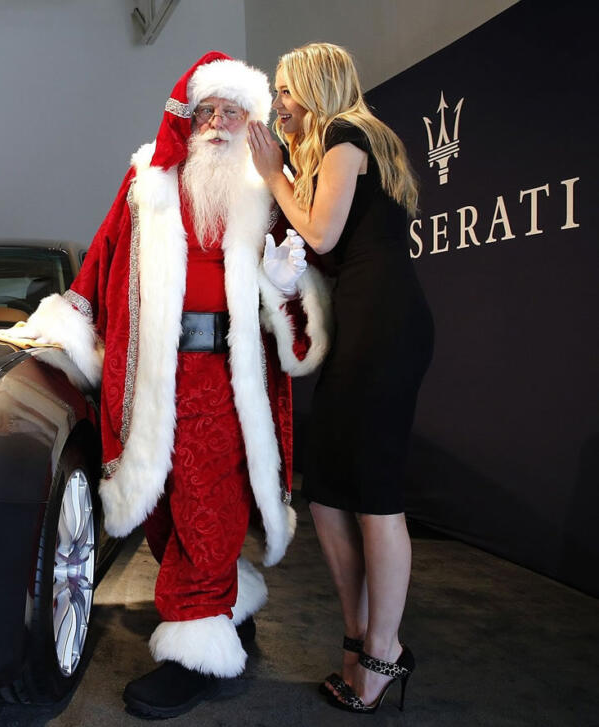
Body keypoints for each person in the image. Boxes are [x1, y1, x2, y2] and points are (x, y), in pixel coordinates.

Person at [7, 51, 331, 719]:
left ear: (251, 121)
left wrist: (285, 283)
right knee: (161, 511)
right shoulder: (147, 185)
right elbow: (99, 261)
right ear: (186, 114)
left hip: (227, 380)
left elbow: (296, 313)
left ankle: (195, 654)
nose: (217, 122)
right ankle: (221, 600)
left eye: (231, 111)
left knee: (207, 509)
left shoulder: (269, 190)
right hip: (154, 377)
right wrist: (63, 325)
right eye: (207, 109)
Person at [246, 42, 433, 714]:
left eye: (287, 92)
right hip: (362, 328)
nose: (279, 107)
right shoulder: (334, 150)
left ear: (319, 90)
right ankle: (360, 637)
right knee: (326, 494)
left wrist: (272, 173)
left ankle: (383, 650)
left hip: (385, 327)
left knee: (375, 497)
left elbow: (321, 235)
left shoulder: (349, 135)